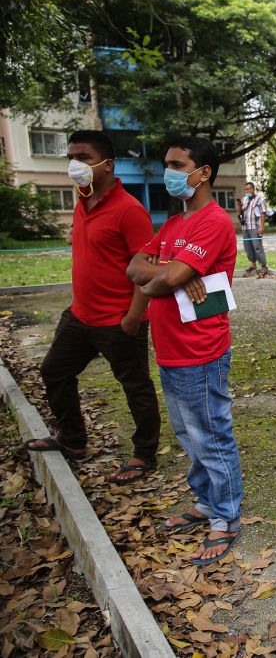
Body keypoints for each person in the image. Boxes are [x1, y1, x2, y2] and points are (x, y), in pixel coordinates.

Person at [125, 136, 242, 566]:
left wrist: (163, 276)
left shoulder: (212, 221)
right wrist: (163, 275)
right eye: (167, 165)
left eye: (177, 165)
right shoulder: (174, 224)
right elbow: (135, 270)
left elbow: (158, 279)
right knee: (188, 436)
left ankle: (227, 519)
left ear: (203, 172)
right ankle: (207, 504)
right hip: (170, 348)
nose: (168, 172)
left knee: (211, 436)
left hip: (201, 350)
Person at [25, 130, 161, 483]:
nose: (74, 164)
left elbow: (147, 268)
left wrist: (133, 318)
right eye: (70, 157)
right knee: (54, 371)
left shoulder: (130, 211)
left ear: (108, 164)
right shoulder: (81, 199)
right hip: (79, 316)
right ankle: (72, 441)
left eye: (82, 157)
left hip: (118, 320)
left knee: (136, 388)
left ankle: (144, 454)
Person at [239, 181, 268, 278]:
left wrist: (261, 226)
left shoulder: (260, 199)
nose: (246, 191)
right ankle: (253, 264)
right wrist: (240, 206)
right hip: (245, 227)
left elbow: (264, 213)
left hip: (255, 226)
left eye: (248, 189)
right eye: (245, 190)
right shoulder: (244, 199)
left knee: (257, 247)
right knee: (248, 247)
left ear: (253, 189)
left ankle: (263, 266)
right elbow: (241, 212)